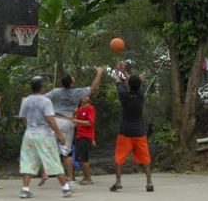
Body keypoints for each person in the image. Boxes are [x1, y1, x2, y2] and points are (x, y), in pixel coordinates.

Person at [44, 67, 103, 185]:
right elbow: (94, 87)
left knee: (50, 148)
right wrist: (99, 73)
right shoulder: (78, 92)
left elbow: (42, 99)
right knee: (67, 151)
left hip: (55, 120)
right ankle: (70, 176)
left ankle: (46, 172)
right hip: (68, 121)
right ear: (71, 83)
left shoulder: (56, 91)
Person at [19, 76, 71, 198]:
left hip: (29, 135)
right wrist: (59, 134)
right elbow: (50, 119)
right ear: (42, 88)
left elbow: (23, 117)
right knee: (53, 159)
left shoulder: (25, 100)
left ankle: (25, 190)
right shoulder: (45, 101)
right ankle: (65, 188)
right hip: (44, 135)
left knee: (28, 160)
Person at [110, 62, 154, 192]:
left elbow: (118, 81)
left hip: (125, 131)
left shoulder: (124, 96)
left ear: (128, 85)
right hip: (139, 131)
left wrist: (118, 71)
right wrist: (125, 71)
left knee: (119, 157)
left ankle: (118, 182)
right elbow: (134, 82)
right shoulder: (140, 94)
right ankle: (149, 182)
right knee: (146, 158)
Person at [72, 96, 97, 185]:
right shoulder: (79, 109)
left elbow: (90, 122)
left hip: (85, 136)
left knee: (83, 158)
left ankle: (88, 178)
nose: (84, 97)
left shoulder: (90, 108)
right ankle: (85, 177)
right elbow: (75, 122)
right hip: (79, 135)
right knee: (80, 158)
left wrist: (77, 121)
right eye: (83, 95)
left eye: (86, 96)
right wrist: (73, 115)